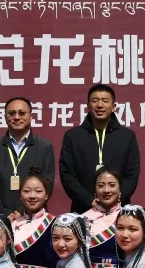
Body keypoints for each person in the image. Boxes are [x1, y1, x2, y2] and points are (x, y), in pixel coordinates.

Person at [59, 85, 140, 214]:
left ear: (114, 107)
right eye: (95, 100)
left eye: (105, 101)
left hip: (118, 210)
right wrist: (89, 201)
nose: (100, 105)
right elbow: (67, 174)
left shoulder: (127, 136)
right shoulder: (73, 136)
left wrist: (115, 201)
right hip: (83, 209)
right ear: (88, 105)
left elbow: (131, 175)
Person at [0, 96, 56, 217]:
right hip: (2, 219)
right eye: (11, 113)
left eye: (22, 113)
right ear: (5, 117)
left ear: (31, 116)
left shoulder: (44, 147)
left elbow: (47, 185)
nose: (16, 117)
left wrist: (22, 212)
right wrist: (5, 215)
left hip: (35, 218)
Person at [82, 168, 122, 268]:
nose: (106, 190)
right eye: (101, 185)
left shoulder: (129, 216)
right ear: (95, 190)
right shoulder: (83, 219)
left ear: (120, 189)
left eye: (112, 185)